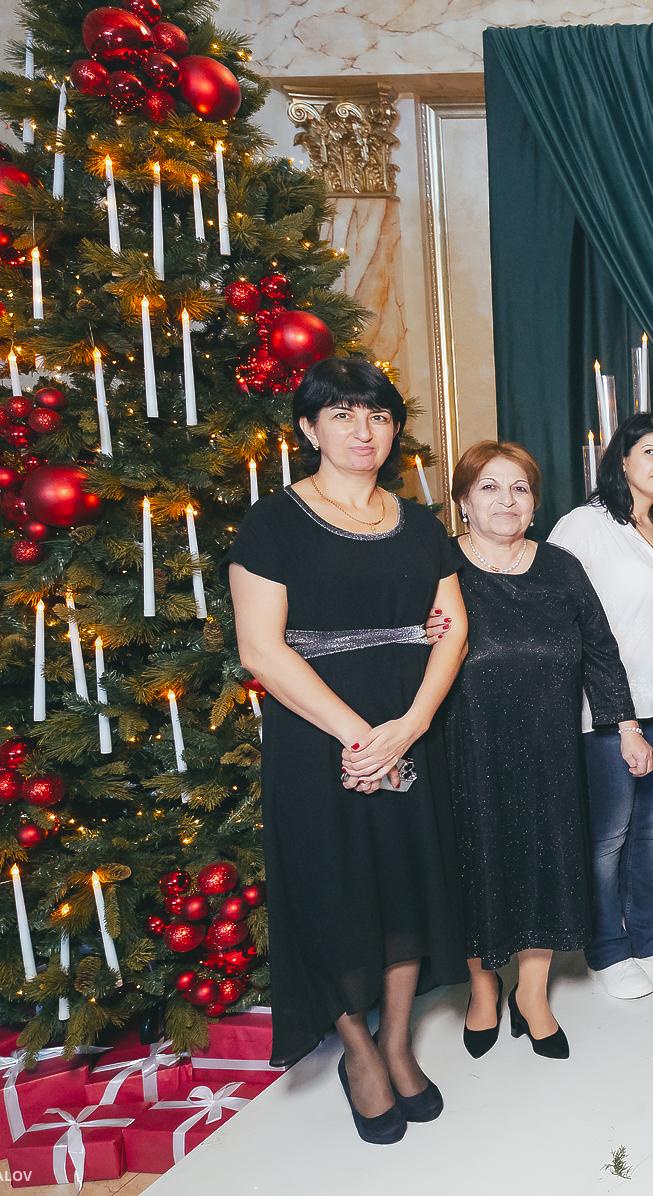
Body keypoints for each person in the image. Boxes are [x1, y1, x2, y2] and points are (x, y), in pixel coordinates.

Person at [228, 357, 469, 1144]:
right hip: (317, 740)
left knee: (405, 884)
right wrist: (362, 738)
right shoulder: (274, 522)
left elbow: (453, 629)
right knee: (332, 889)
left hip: (410, 729)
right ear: (309, 428)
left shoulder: (421, 523)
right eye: (342, 415)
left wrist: (412, 724)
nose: (364, 431)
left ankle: (396, 1041)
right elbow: (261, 650)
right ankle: (357, 1051)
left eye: (378, 415)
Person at [442, 440, 642, 1061]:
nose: (507, 500)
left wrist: (625, 724)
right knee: (474, 866)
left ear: (534, 503)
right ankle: (483, 989)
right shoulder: (441, 568)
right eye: (490, 487)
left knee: (547, 866)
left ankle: (532, 994)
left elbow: (601, 650)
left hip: (550, 750)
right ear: (463, 501)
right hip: (466, 748)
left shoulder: (561, 567)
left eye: (520, 489)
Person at [548, 412, 653, 1000]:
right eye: (651, 453)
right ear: (622, 459)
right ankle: (607, 947)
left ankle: (650, 936)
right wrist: (621, 721)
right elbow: (563, 620)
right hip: (607, 710)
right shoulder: (585, 526)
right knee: (608, 833)